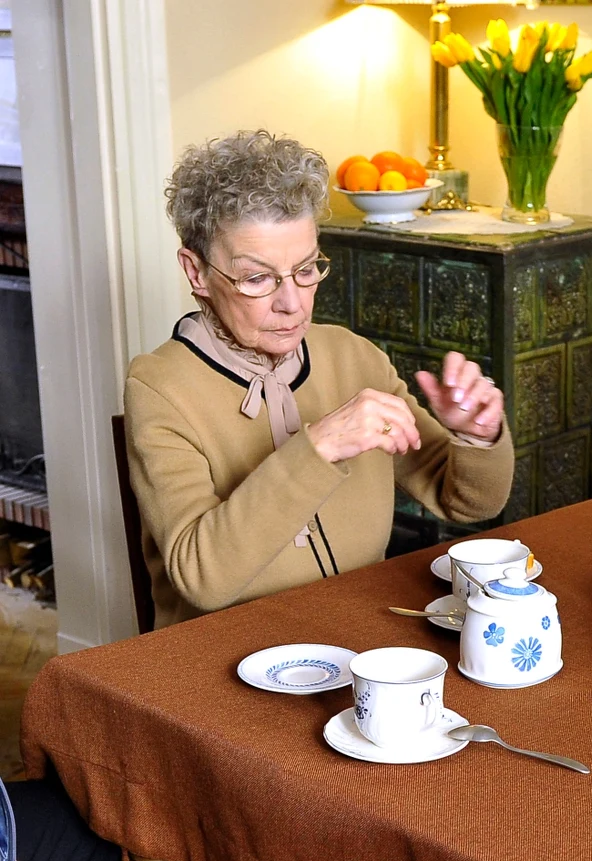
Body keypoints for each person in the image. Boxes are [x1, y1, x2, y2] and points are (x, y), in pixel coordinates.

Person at [125, 131, 515, 627]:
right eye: (257, 278)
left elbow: (469, 502)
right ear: (197, 272)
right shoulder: (160, 389)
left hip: (359, 632)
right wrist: (320, 445)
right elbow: (203, 578)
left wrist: (474, 437)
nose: (292, 303)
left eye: (306, 269)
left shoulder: (351, 356)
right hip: (220, 658)